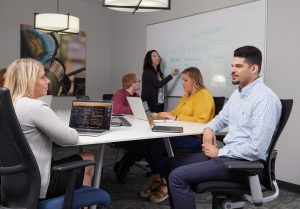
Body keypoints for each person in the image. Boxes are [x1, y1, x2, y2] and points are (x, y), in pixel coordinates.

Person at [163, 46, 282, 209]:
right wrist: (208, 129)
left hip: (244, 165)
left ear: (254, 68)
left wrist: (220, 152)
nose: (232, 70)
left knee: (177, 177)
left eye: (238, 66)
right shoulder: (239, 94)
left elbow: (256, 149)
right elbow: (219, 119)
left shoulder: (265, 99)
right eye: (232, 66)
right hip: (229, 157)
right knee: (170, 164)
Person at [4, 58, 95, 199]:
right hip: (37, 185)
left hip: (9, 183)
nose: (48, 81)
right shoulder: (34, 107)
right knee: (89, 157)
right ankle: (82, 201)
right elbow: (70, 139)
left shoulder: (7, 104)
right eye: (43, 77)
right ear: (28, 80)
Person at [140, 67, 215, 203]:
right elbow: (175, 113)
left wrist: (175, 118)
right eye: (182, 80)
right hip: (182, 133)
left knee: (157, 145)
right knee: (147, 143)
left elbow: (201, 120)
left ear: (194, 80)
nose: (183, 83)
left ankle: (166, 183)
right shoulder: (186, 96)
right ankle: (157, 178)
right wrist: (160, 115)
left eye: (185, 80)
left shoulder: (204, 95)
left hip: (195, 138)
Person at [111, 73, 145, 183]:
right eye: (138, 81)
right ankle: (124, 167)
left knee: (146, 142)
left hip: (135, 129)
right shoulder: (120, 94)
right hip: (121, 132)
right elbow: (117, 109)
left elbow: (141, 111)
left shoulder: (136, 96)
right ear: (132, 83)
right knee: (140, 144)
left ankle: (122, 163)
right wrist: (135, 110)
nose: (139, 82)